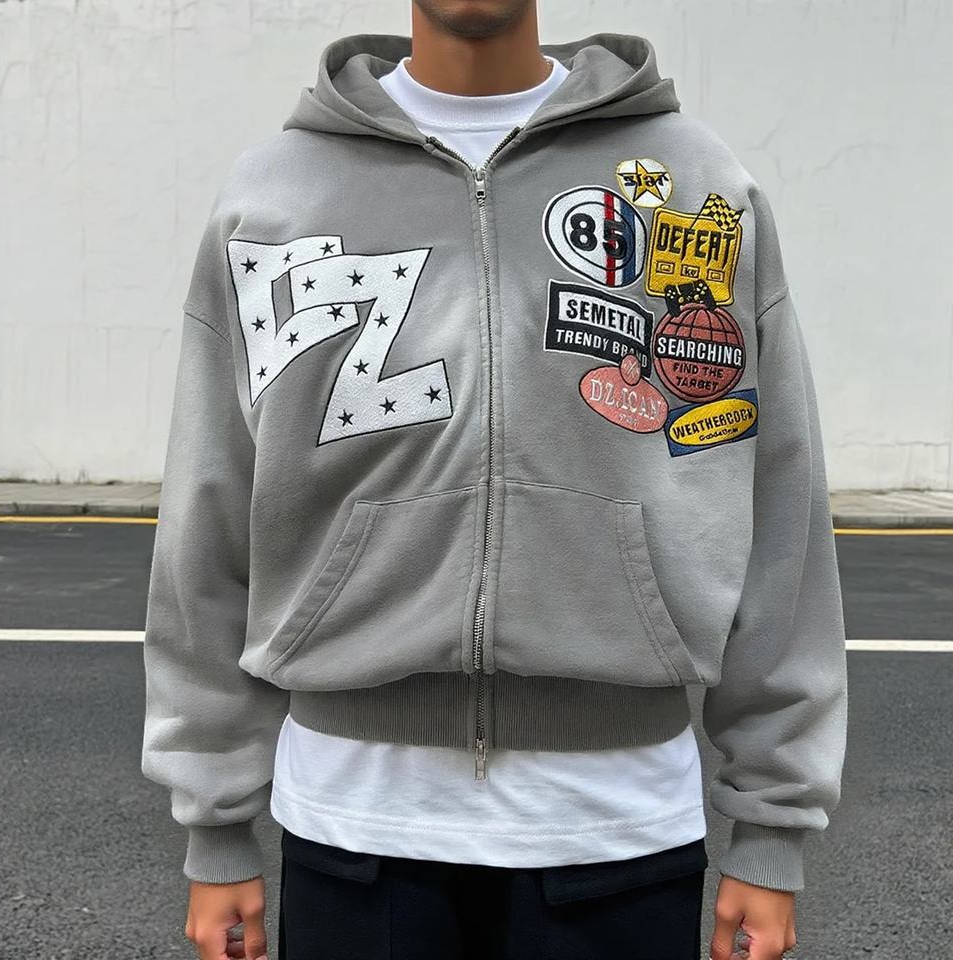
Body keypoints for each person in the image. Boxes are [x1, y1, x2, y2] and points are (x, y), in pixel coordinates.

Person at [140, 2, 848, 959]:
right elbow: (210, 508)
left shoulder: (694, 185)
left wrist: (772, 827)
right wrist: (214, 823)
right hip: (354, 820)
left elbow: (776, 499)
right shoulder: (273, 195)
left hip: (619, 820)